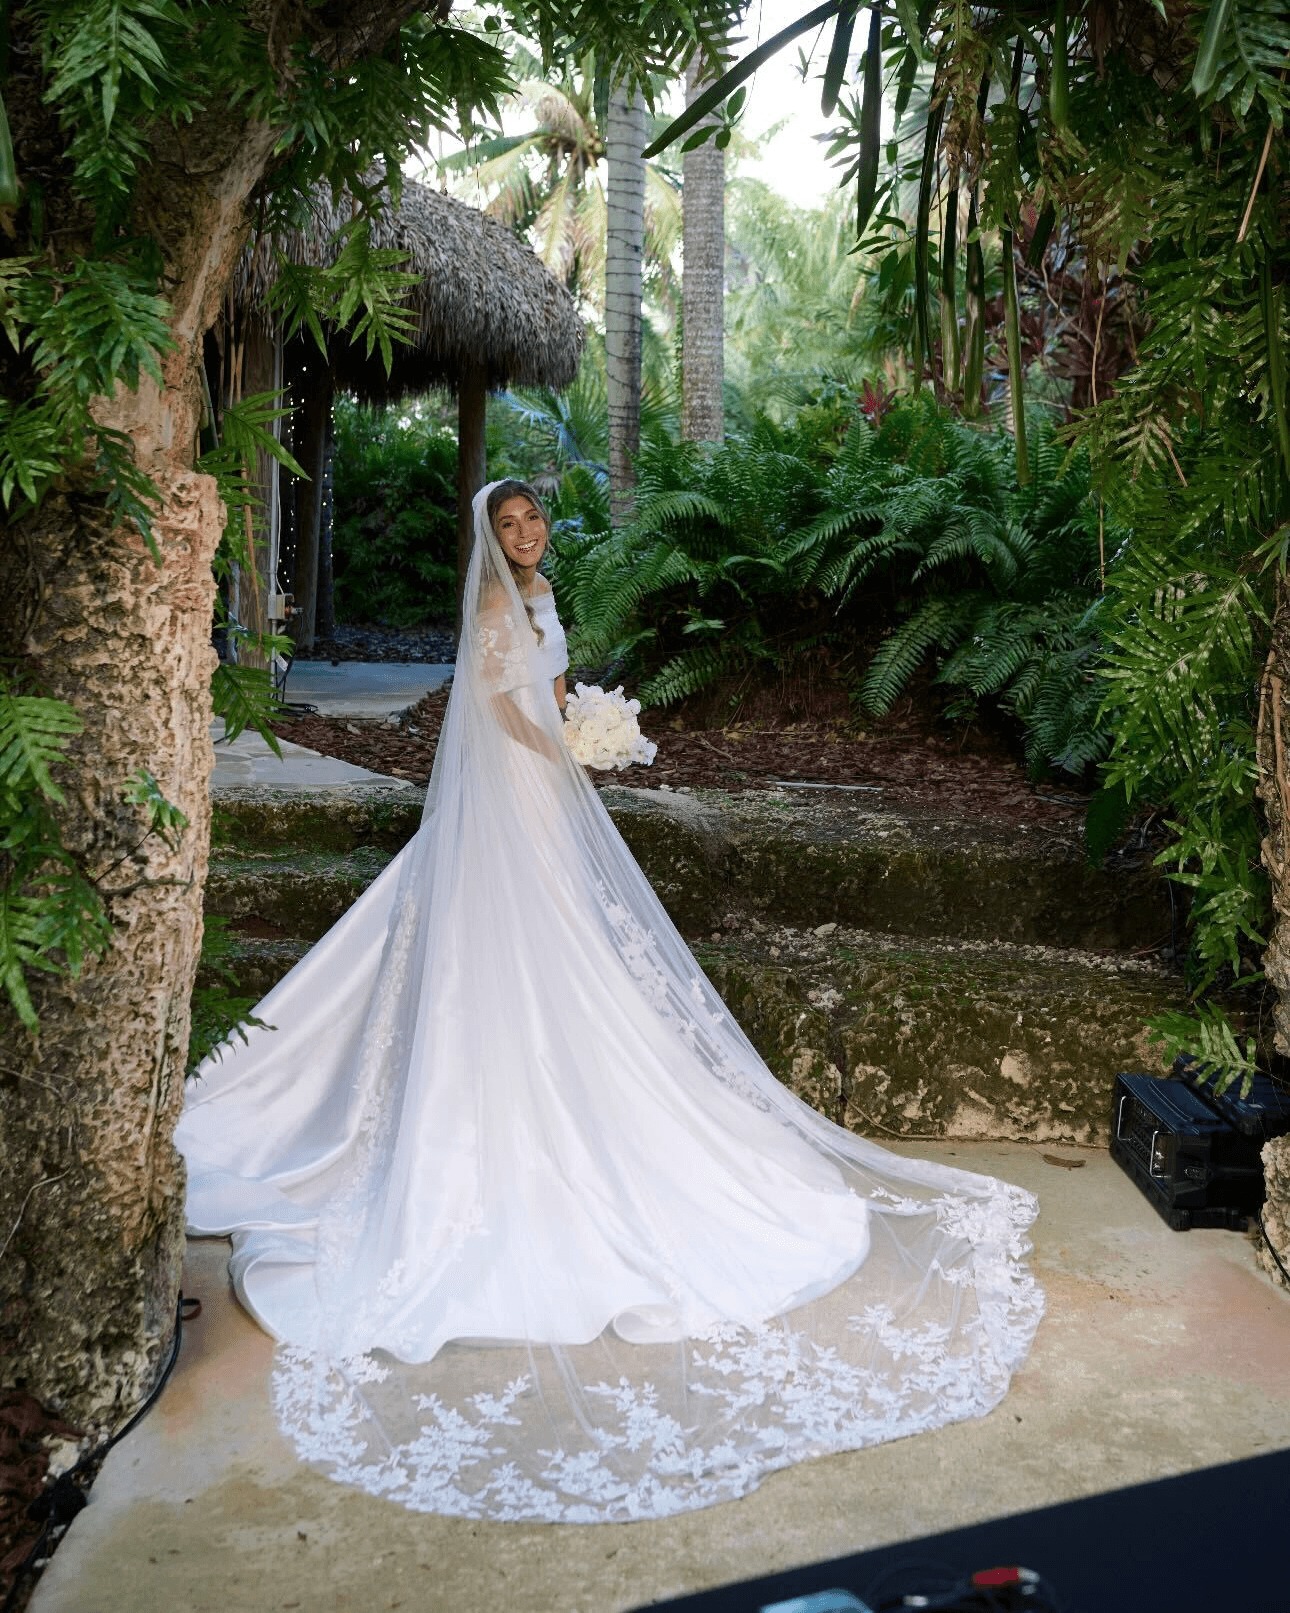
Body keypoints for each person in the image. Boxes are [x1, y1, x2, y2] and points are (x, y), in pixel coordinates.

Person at [178, 478, 1043, 1524]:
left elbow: (550, 680)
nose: (525, 533)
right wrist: (565, 746)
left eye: (533, 519)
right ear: (489, 537)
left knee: (575, 936)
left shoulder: (544, 594)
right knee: (516, 939)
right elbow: (496, 705)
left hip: (547, 786)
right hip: (514, 786)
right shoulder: (493, 602)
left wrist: (588, 726)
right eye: (508, 524)